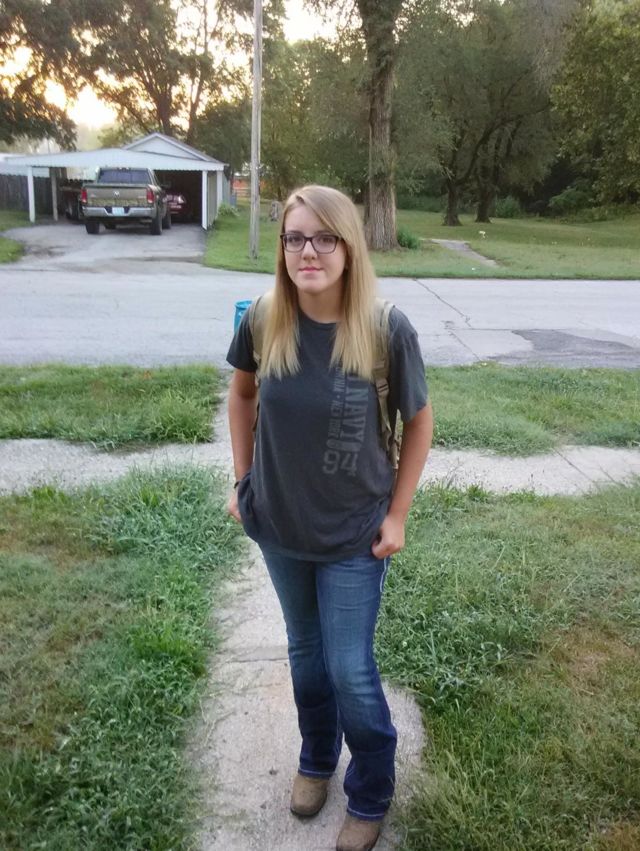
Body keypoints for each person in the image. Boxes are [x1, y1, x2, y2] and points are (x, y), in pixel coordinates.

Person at [226, 185, 433, 851]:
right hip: (279, 526)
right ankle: (317, 758)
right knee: (306, 657)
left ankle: (370, 787)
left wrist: (398, 515)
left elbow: (419, 422)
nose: (307, 252)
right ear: (282, 248)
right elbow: (241, 395)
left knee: (349, 669)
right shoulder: (265, 319)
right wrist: (242, 480)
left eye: (324, 238)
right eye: (295, 238)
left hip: (354, 535)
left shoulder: (385, 329)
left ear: (349, 247)